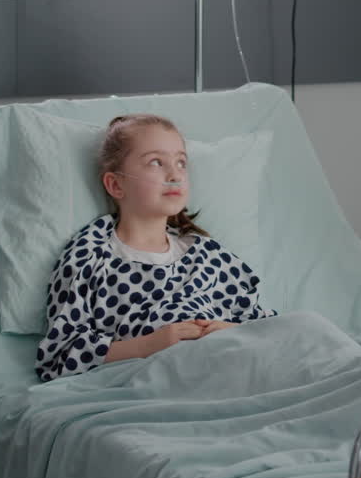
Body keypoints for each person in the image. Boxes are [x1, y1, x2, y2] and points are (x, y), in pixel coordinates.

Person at [36, 114, 276, 381]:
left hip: (232, 365)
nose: (174, 174)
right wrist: (148, 345)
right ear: (116, 184)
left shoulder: (209, 256)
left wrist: (228, 330)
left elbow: (267, 330)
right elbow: (58, 357)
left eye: (181, 163)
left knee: (308, 327)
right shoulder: (89, 257)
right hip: (162, 380)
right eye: (155, 162)